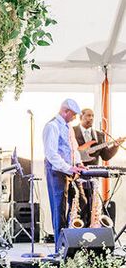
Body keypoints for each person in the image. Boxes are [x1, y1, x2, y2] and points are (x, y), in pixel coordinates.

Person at [43, 98, 83, 245]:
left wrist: (78, 162)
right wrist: (68, 167)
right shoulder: (52, 126)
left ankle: (70, 240)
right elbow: (51, 154)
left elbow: (74, 148)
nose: (75, 118)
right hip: (56, 172)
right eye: (73, 115)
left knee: (79, 203)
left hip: (69, 171)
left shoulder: (68, 128)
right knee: (59, 208)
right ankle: (59, 248)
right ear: (65, 111)